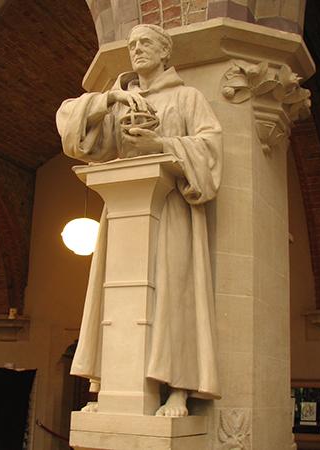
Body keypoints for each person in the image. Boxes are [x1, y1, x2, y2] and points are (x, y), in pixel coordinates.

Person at [56, 24, 222, 417]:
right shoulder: (119, 100)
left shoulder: (187, 97)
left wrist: (160, 145)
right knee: (116, 299)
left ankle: (178, 390)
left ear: (166, 52)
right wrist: (109, 97)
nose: (137, 50)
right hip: (123, 209)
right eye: (131, 45)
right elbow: (71, 128)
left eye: (146, 43)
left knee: (174, 296)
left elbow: (211, 149)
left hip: (172, 211)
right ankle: (113, 387)